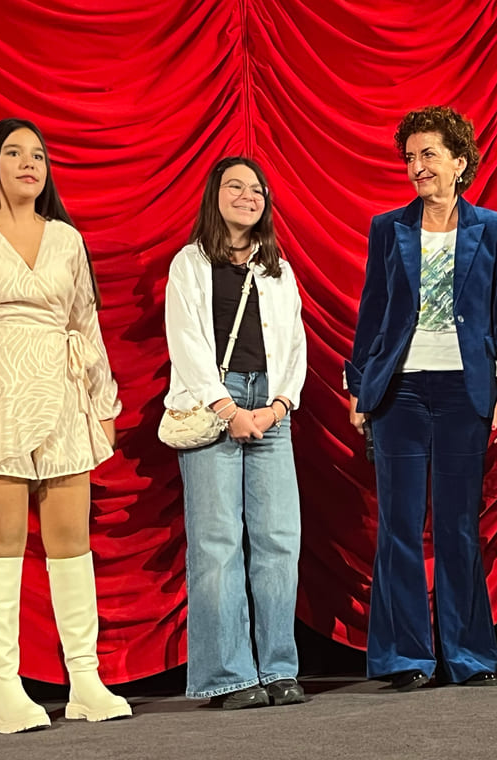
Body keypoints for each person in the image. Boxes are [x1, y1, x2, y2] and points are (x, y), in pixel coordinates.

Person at [0, 118, 131, 733]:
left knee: (71, 540)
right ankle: (4, 691)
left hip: (61, 396)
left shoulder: (66, 239)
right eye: (14, 153)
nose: (29, 163)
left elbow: (85, 324)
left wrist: (102, 403)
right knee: (3, 541)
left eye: (37, 154)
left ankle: (85, 680)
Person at [345, 106, 497, 690]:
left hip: (462, 390)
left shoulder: (493, 228)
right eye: (410, 157)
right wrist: (360, 385)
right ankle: (405, 658)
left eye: (428, 155)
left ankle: (469, 655)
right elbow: (372, 311)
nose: (417, 167)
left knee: (457, 526)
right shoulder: (387, 228)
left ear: (458, 162)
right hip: (399, 389)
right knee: (398, 523)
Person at [165, 157, 308, 708]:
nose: (248, 196)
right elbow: (188, 344)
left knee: (277, 540)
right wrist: (230, 410)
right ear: (214, 195)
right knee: (217, 545)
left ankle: (278, 668)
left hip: (270, 406)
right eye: (235, 186)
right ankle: (230, 675)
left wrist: (276, 406)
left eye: (257, 189)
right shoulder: (189, 263)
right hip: (213, 406)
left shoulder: (278, 268)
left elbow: (294, 343)